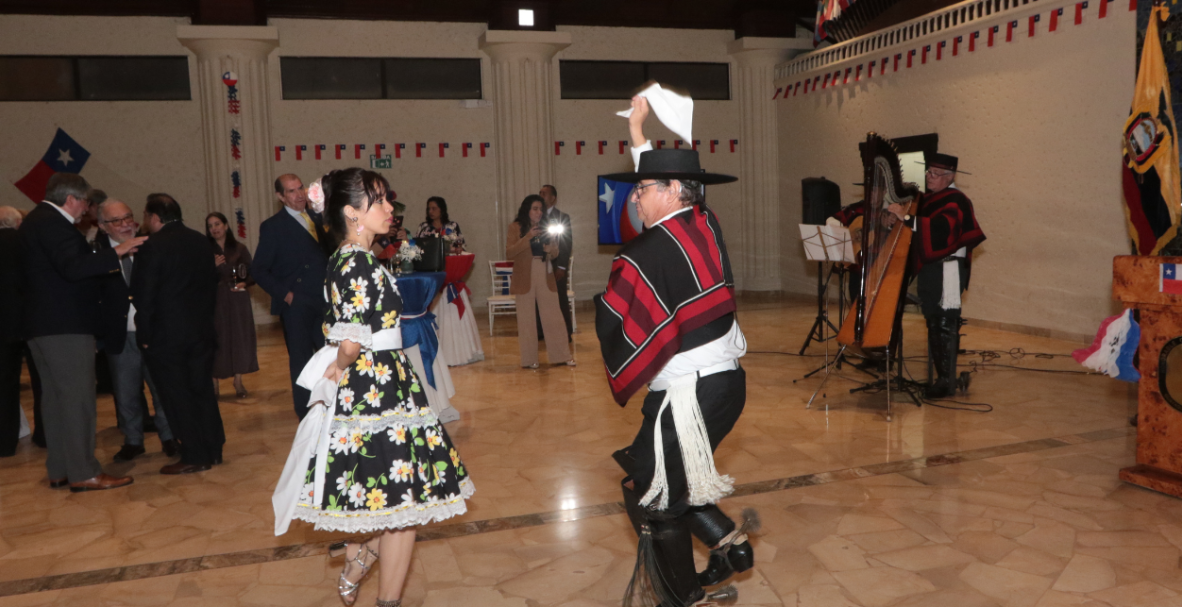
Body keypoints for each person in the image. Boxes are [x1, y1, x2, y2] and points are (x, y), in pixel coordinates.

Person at [289, 168, 474, 607]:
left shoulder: (349, 257)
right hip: (378, 386)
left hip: (382, 383)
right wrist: (337, 366)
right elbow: (351, 340)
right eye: (379, 201)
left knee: (391, 497)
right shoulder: (356, 261)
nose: (390, 207)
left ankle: (361, 557)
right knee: (403, 502)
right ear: (352, 213)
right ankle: (375, 582)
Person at [595, 96, 751, 606]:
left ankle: (685, 597)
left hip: (690, 395)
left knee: (653, 495)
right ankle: (728, 542)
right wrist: (639, 132)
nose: (634, 199)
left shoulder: (643, 254)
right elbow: (667, 175)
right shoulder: (704, 223)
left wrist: (606, 311)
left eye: (641, 189)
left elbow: (615, 319)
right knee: (655, 477)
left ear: (672, 191)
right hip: (722, 386)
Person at [20, 173, 144, 492]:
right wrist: (118, 252)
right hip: (65, 326)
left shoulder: (35, 220)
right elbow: (74, 268)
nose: (87, 209)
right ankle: (83, 471)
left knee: (55, 400)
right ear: (71, 199)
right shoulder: (54, 224)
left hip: (43, 326)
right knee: (77, 400)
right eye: (86, 202)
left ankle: (60, 468)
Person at [131, 194, 224, 474]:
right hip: (201, 330)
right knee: (202, 389)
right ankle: (214, 448)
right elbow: (211, 284)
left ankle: (194, 454)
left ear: (154, 217)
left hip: (166, 335)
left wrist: (144, 334)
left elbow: (144, 296)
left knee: (177, 394)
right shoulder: (200, 241)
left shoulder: (152, 246)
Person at [887, 152, 986, 399]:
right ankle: (946, 377)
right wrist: (898, 221)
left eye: (935, 173)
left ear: (950, 176)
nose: (929, 177)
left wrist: (906, 218)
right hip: (932, 269)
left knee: (944, 322)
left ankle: (946, 381)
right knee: (934, 320)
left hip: (948, 269)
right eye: (928, 172)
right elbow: (918, 229)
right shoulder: (930, 199)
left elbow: (942, 230)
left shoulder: (957, 200)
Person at [94, 199, 177, 462]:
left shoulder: (151, 246)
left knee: (162, 388)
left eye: (128, 217)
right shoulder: (96, 255)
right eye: (116, 220)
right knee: (125, 392)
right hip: (119, 335)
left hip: (154, 332)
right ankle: (133, 440)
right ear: (102, 226)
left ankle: (169, 436)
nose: (125, 224)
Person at [253, 174, 330, 419]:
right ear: (281, 196)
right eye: (291, 191)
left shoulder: (318, 218)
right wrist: (286, 295)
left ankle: (334, 406)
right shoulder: (273, 226)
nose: (299, 195)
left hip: (325, 299)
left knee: (331, 355)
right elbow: (259, 270)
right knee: (301, 360)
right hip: (298, 303)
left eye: (300, 188)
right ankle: (305, 414)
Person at [506, 195, 574, 369]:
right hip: (524, 276)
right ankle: (529, 360)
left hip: (545, 274)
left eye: (540, 209)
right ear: (527, 210)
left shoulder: (546, 226)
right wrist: (528, 237)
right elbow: (509, 253)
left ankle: (562, 356)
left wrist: (551, 248)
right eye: (535, 209)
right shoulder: (515, 227)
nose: (539, 212)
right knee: (526, 320)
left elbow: (555, 253)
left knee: (554, 317)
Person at [0, 206, 41, 457]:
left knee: (4, 385)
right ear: (17, 223)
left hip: (2, 326)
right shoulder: (28, 243)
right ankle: (45, 435)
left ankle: (5, 442)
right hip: (32, 321)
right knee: (42, 381)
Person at [206, 212, 259, 398]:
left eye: (217, 224)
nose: (214, 228)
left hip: (237, 299)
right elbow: (197, 277)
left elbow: (253, 272)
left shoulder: (239, 248)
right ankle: (214, 384)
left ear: (226, 225)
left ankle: (238, 381)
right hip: (215, 299)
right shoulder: (205, 250)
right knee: (217, 339)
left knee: (239, 338)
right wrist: (211, 266)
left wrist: (244, 283)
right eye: (210, 226)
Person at [538, 185, 572, 339]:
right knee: (540, 299)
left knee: (560, 298)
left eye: (544, 194)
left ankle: (566, 332)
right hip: (539, 265)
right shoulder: (536, 217)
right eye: (540, 193)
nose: (541, 195)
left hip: (557, 265)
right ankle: (541, 333)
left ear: (553, 198)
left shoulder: (562, 217)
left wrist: (562, 267)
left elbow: (566, 244)